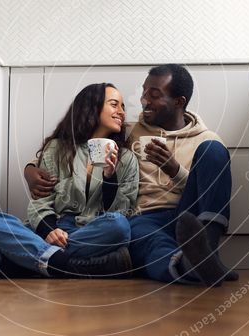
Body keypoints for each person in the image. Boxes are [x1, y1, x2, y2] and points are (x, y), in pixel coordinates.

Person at [26, 65, 235, 287]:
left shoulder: (204, 138)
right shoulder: (130, 129)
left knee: (214, 150)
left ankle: (209, 252)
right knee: (146, 240)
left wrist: (174, 169)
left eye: (153, 95)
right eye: (144, 92)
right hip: (143, 216)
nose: (144, 100)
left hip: (186, 212)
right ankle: (189, 268)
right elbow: (84, 135)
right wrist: (30, 169)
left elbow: (208, 189)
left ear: (179, 102)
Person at [0, 83, 139, 278]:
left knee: (120, 226)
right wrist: (50, 230)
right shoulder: (57, 149)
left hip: (92, 231)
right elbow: (40, 202)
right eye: (114, 104)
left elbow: (122, 211)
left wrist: (109, 177)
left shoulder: (127, 159)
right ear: (92, 107)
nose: (121, 112)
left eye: (123, 107)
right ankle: (69, 265)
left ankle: (29, 262)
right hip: (51, 228)